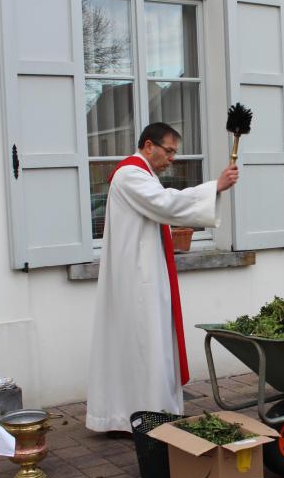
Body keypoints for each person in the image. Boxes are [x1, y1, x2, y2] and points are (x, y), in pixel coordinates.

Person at [86, 123, 239, 435]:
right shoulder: (131, 174)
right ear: (148, 146)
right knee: (145, 344)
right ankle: (147, 415)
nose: (172, 158)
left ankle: (136, 413)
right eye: (168, 151)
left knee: (143, 345)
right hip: (137, 278)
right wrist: (215, 186)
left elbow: (162, 201)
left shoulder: (141, 174)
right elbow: (165, 204)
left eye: (175, 153)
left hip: (143, 273)